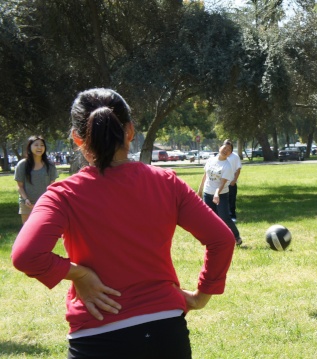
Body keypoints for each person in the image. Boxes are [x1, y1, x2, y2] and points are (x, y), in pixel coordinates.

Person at [12, 88, 236, 359]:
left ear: (77, 139)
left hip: (97, 336)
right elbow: (221, 239)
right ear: (129, 131)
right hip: (167, 333)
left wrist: (79, 274)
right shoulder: (166, 183)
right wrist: (201, 295)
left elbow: (27, 256)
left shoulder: (63, 195)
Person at [198, 142, 243, 246]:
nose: (225, 150)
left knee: (224, 217)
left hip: (221, 195)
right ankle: (215, 239)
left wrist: (217, 194)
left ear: (230, 153)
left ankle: (236, 236)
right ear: (220, 147)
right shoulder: (210, 160)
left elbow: (222, 183)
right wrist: (200, 191)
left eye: (228, 149)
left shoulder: (227, 166)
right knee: (210, 218)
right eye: (224, 147)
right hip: (207, 193)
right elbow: (205, 176)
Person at [14, 135, 58, 224]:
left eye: (42, 145)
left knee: (44, 231)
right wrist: (26, 199)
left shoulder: (50, 165)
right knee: (27, 231)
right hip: (27, 204)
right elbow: (20, 186)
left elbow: (52, 186)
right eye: (36, 145)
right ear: (30, 147)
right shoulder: (22, 165)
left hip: (45, 203)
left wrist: (47, 201)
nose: (39, 147)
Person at [224, 139, 242, 222]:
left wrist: (234, 180)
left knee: (231, 200)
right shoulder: (220, 155)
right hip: (222, 183)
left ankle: (232, 216)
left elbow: (238, 169)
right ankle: (223, 216)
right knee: (223, 201)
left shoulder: (235, 156)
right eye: (225, 147)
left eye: (229, 148)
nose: (227, 150)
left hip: (231, 183)